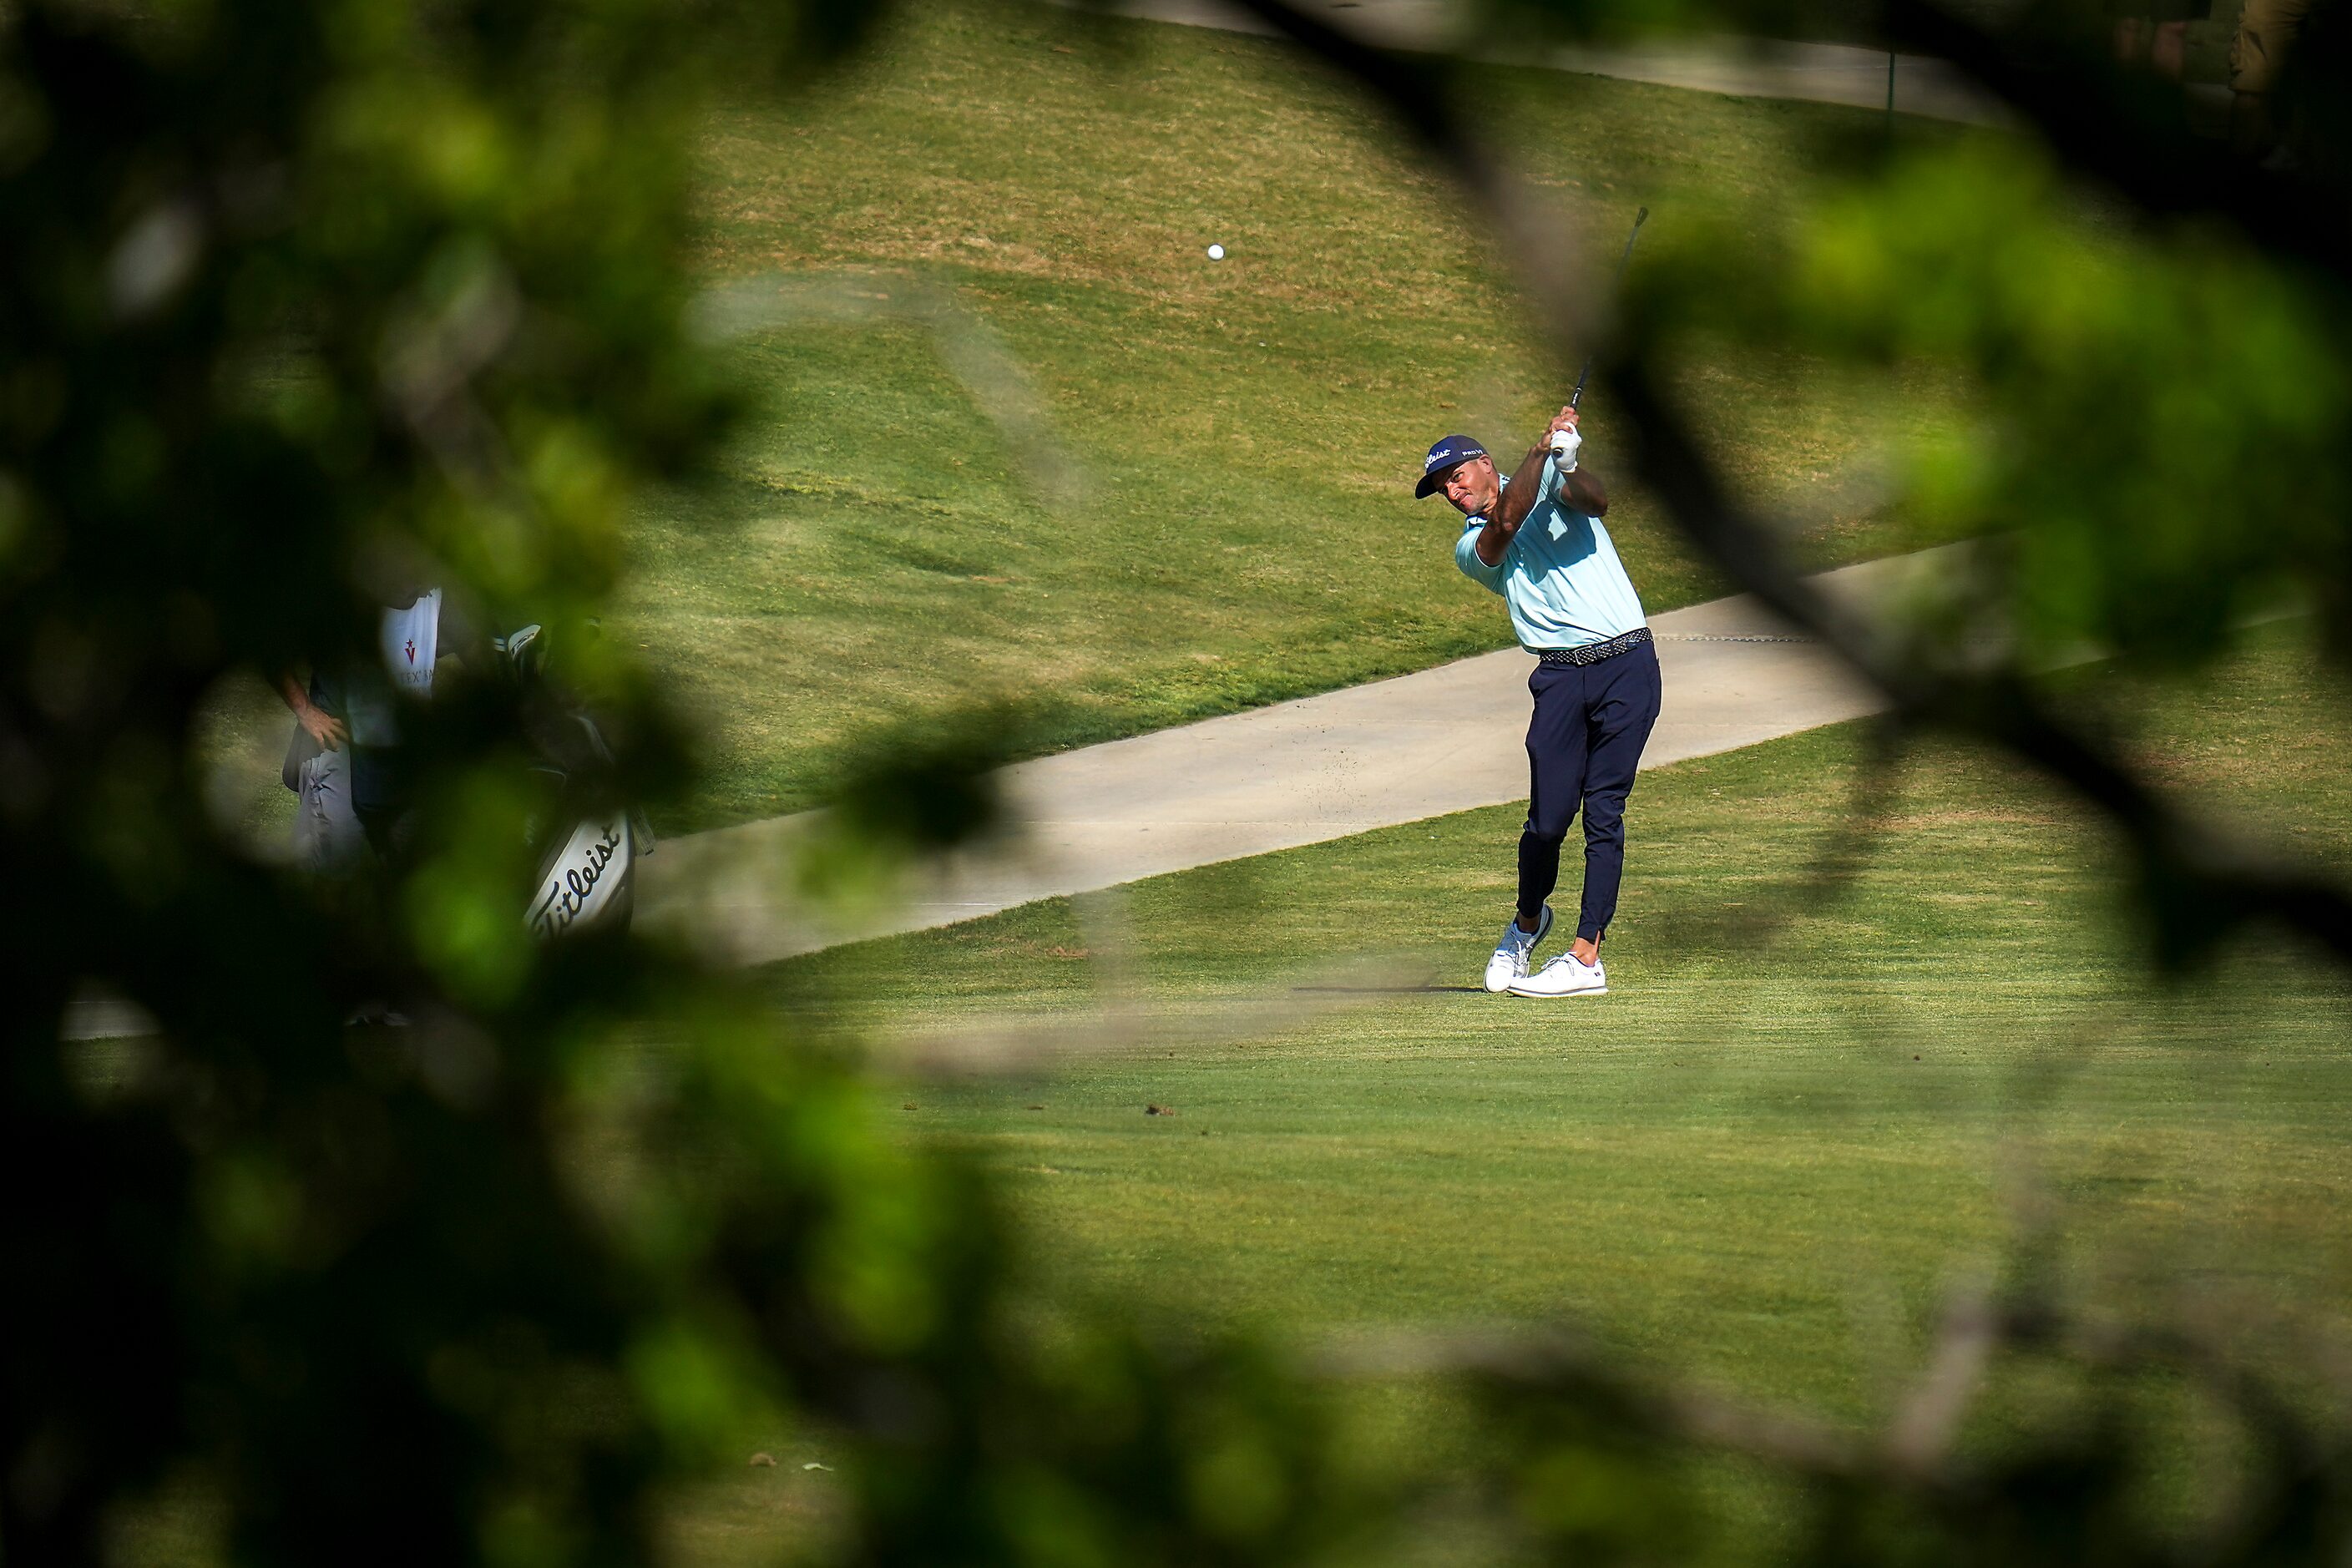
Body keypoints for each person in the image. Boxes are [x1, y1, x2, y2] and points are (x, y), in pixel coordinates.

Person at [1417, 407, 1662, 998]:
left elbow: (1597, 502)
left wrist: (1568, 460)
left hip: (1627, 663)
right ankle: (1527, 923)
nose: (1452, 493)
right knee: (1548, 820)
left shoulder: (1549, 479)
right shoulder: (1470, 543)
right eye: (1443, 488)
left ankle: (1584, 958)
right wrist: (1539, 454)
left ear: (1484, 464)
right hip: (1557, 677)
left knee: (1603, 811)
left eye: (1456, 477)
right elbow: (1504, 525)